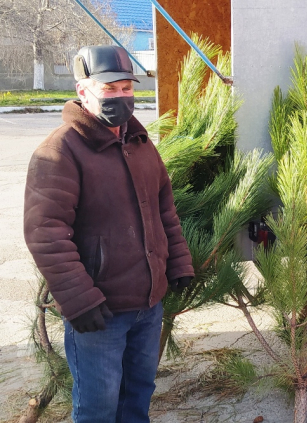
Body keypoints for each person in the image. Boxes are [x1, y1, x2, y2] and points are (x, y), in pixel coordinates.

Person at [23, 45, 194, 422]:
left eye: (126, 88)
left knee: (138, 395)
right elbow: (45, 233)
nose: (120, 96)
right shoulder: (60, 151)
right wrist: (79, 300)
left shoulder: (140, 144)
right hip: (100, 312)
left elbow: (164, 208)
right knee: (98, 408)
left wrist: (179, 263)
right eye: (109, 88)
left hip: (148, 305)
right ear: (83, 91)